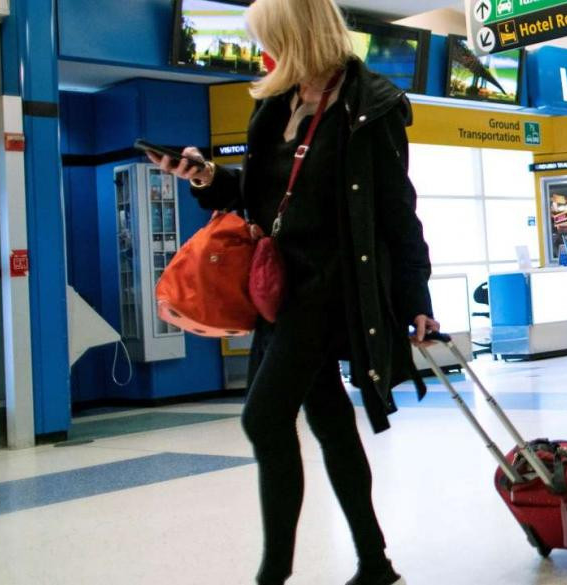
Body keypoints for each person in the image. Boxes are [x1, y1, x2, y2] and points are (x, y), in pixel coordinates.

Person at [147, 0, 435, 583]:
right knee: (328, 420)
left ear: (296, 36)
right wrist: (204, 176)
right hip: (277, 285)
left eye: (270, 38)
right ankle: (375, 562)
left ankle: (271, 575)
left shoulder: (371, 106)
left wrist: (416, 299)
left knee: (263, 418)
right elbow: (260, 200)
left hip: (331, 285)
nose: (263, 52)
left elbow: (397, 212)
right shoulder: (276, 104)